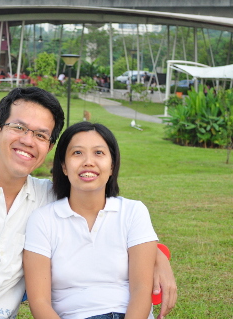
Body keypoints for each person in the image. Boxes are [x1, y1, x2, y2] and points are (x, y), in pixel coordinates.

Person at [0, 87, 176, 319]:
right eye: (19, 128)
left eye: (40, 135)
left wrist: (158, 256)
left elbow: (104, 213)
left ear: (49, 149)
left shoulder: (47, 198)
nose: (27, 140)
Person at [24, 122, 166, 319]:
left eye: (99, 153)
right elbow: (39, 301)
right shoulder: (42, 220)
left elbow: (142, 289)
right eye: (77, 153)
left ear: (112, 165)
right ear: (64, 167)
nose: (88, 162)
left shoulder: (133, 212)